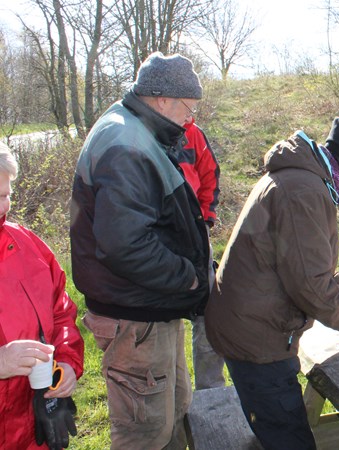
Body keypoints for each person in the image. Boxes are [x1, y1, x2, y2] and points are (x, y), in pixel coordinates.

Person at [205, 115, 339, 449]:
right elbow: (309, 284)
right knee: (288, 437)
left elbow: (305, 265)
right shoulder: (304, 191)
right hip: (257, 338)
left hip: (250, 326)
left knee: (277, 427)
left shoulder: (301, 178)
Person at [70, 52, 210, 449]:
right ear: (162, 99)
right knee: (145, 432)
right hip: (135, 316)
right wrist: (190, 276)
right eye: (189, 108)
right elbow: (124, 245)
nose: (190, 119)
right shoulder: (125, 145)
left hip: (152, 308)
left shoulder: (137, 131)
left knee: (174, 411)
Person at [1, 142, 84, 449]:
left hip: (34, 428)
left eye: (6, 195)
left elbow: (61, 311)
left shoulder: (28, 246)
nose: (2, 207)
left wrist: (66, 362)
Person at [180, 118, 225, 390]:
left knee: (208, 314)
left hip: (196, 234)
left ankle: (210, 391)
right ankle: (174, 397)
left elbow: (209, 175)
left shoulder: (193, 134)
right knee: (164, 324)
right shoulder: (139, 131)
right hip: (158, 239)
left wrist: (205, 219)